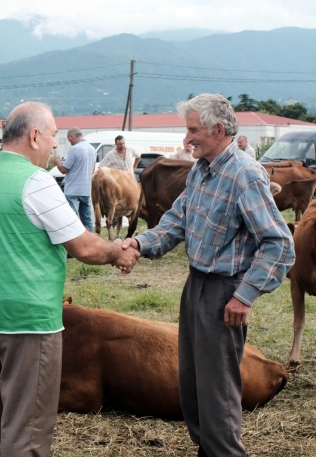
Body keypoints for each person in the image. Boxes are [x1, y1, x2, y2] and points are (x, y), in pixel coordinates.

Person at [0, 101, 140, 457]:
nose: (56, 145)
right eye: (53, 135)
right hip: (29, 323)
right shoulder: (36, 183)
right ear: (34, 135)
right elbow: (83, 246)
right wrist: (118, 252)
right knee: (29, 424)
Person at [122, 93, 295, 457]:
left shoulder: (245, 174)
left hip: (224, 292)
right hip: (196, 285)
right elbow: (175, 222)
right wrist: (137, 244)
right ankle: (209, 449)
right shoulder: (202, 171)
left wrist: (244, 295)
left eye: (193, 131)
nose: (187, 140)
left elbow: (278, 243)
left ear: (218, 129)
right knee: (193, 383)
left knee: (216, 389)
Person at [53, 127, 95, 231]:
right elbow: (92, 170)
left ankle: (75, 243)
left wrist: (58, 162)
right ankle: (91, 242)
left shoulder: (74, 149)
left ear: (72, 136)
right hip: (86, 191)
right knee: (87, 219)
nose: (70, 142)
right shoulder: (92, 149)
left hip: (73, 191)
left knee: (72, 219)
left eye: (69, 139)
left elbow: (64, 170)